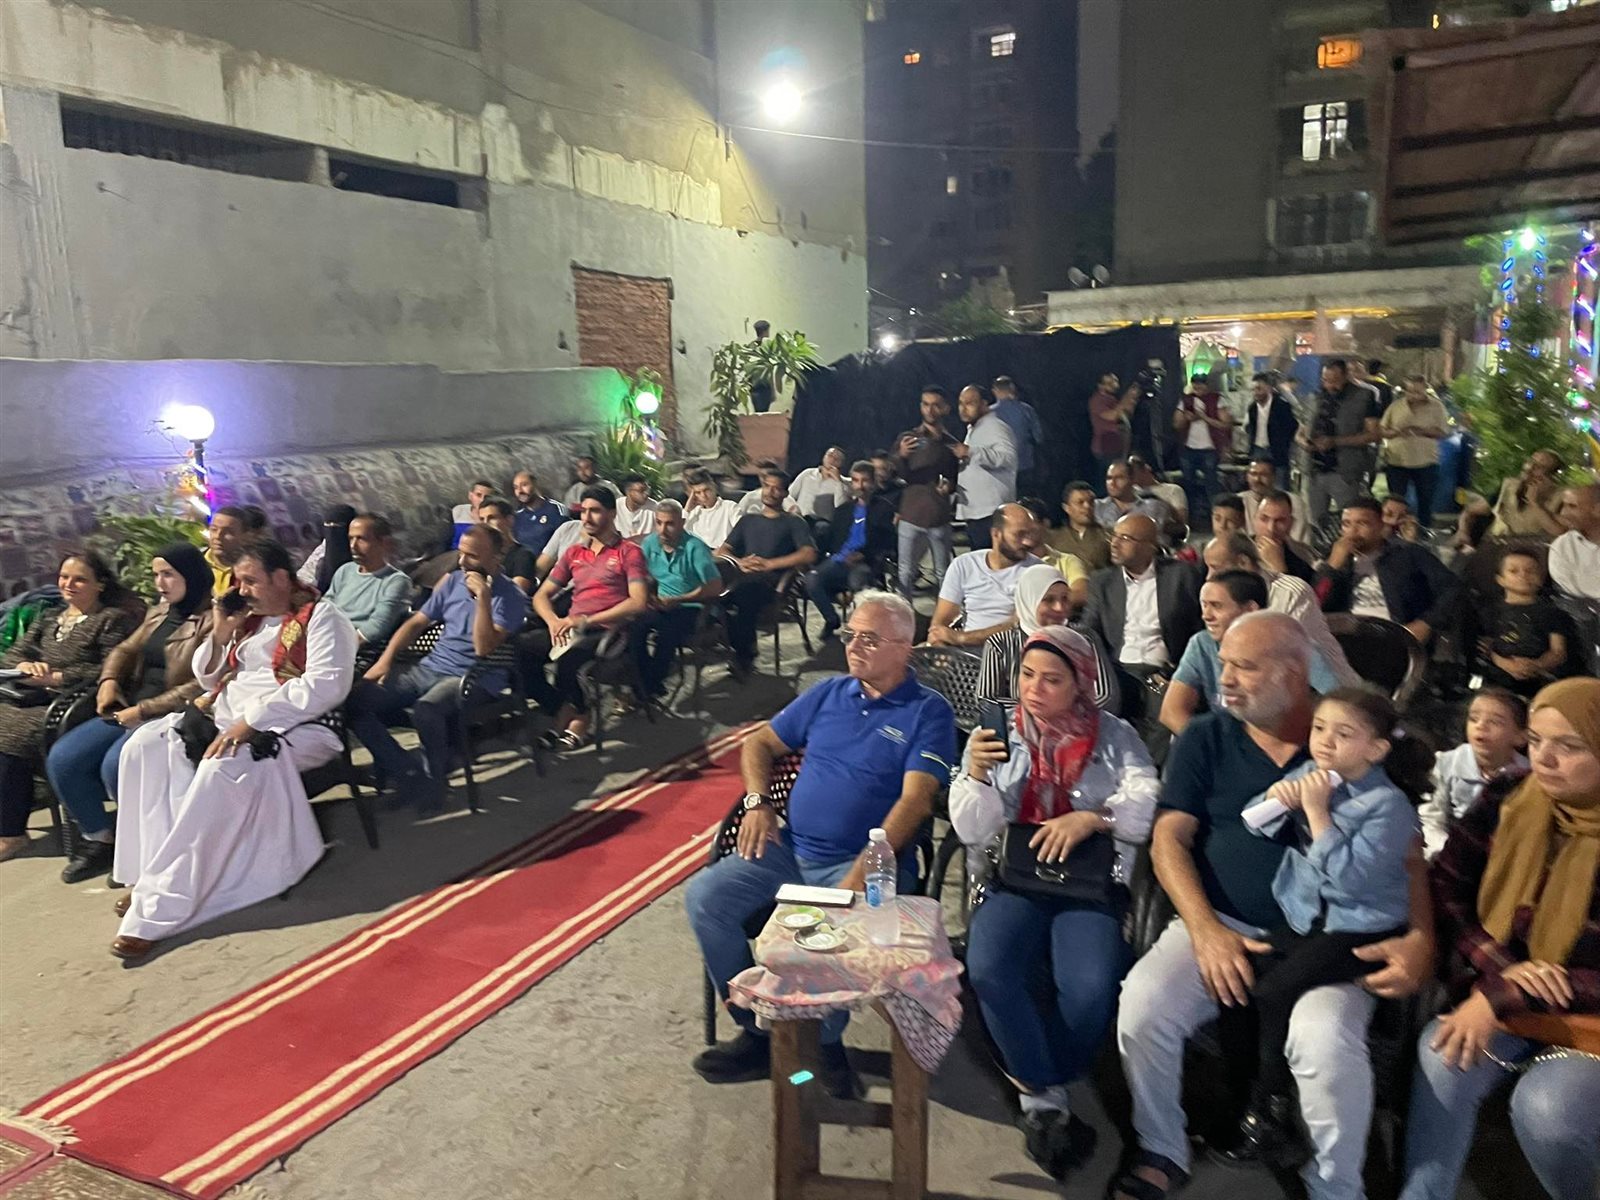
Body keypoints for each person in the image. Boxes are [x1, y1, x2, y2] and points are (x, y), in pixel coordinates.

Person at [1113, 612, 1435, 1200]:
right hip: (1219, 922)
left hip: (1330, 938)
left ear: (1292, 673)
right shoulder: (1208, 736)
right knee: (1144, 1007)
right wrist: (1204, 930)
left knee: (1323, 1040)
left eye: (1244, 667)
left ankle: (1336, 1187)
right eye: (1224, 663)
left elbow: (1408, 855)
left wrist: (1421, 936)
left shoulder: (1349, 731)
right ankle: (1161, 1146)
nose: (1225, 679)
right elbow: (1167, 840)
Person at [686, 592, 955, 1099]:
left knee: (827, 941)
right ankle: (758, 1032)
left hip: (865, 863)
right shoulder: (830, 691)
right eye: (850, 635)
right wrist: (758, 802)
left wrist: (860, 872)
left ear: (905, 647)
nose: (853, 646)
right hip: (791, 847)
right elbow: (759, 743)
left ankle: (823, 1048)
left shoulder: (928, 712)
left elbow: (916, 801)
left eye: (869, 639)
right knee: (706, 899)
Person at [951, 626, 1157, 1181]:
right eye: (1026, 676)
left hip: (1087, 884)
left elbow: (1146, 801)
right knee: (989, 969)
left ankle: (1044, 1076)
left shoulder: (1114, 735)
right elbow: (971, 829)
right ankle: (1043, 1094)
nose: (1034, 690)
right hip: (1016, 879)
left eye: (1052, 679)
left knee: (1090, 986)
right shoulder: (998, 731)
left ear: (1081, 684)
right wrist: (975, 775)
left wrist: (1093, 817)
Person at [109, 540, 357, 961]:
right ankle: (155, 876)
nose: (242, 591)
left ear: (282, 578)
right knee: (144, 746)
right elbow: (210, 680)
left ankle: (158, 911)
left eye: (251, 581)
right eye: (238, 581)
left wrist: (253, 721)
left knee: (220, 766)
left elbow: (325, 685)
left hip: (299, 727)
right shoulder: (248, 621)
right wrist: (221, 634)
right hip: (228, 718)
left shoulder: (321, 617)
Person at [1401, 678, 1600, 1200]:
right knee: (1443, 1053)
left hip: (1589, 1020)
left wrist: (1504, 993)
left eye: (1569, 745)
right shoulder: (1508, 797)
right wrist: (1502, 970)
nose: (1544, 759)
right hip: (1507, 994)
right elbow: (1447, 888)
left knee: (1548, 1108)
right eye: (1535, 741)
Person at [1227, 687, 1429, 1166]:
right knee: (1241, 977)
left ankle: (1272, 1112)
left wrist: (1317, 813)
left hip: (1364, 926)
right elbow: (1253, 822)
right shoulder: (1312, 774)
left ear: (1376, 749)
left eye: (1343, 734)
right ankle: (1248, 1102)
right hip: (1309, 917)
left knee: (1274, 992)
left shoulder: (1389, 806)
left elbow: (1350, 882)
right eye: (1320, 728)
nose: (1325, 741)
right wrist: (1276, 799)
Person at [44, 544, 215, 883]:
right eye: (156, 575)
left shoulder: (212, 620)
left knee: (116, 765)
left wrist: (145, 709)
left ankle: (143, 847)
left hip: (171, 714)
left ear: (191, 575)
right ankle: (101, 839)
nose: (160, 583)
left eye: (168, 574)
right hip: (131, 707)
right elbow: (125, 649)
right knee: (64, 759)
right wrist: (109, 680)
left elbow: (202, 683)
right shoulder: (160, 612)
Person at [347, 525, 527, 813]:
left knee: (427, 710)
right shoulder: (454, 582)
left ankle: (435, 785)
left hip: (475, 676)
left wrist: (483, 598)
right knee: (354, 702)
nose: (463, 562)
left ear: (496, 557)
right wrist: (386, 660)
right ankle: (409, 774)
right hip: (432, 666)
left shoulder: (511, 596)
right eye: (461, 554)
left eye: (472, 556)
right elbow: (417, 622)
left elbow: (483, 648)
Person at [0, 553, 139, 864]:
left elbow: (111, 668)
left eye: (79, 579)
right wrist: (25, 666)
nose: (68, 584)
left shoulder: (111, 620)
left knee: (10, 734)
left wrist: (58, 677)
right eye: (64, 577)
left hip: (75, 703)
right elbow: (13, 654)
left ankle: (11, 833)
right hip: (32, 697)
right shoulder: (50, 618)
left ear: (99, 585)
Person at [529, 486, 650, 749]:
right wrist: (553, 621)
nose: (586, 517)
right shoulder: (575, 553)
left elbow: (638, 601)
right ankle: (564, 708)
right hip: (571, 626)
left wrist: (586, 621)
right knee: (521, 651)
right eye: (583, 511)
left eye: (594, 511)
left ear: (611, 513)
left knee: (569, 663)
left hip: (608, 630)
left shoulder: (628, 552)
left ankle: (579, 719)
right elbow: (541, 596)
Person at [1161, 569, 1343, 735]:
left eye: (1216, 606)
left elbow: (1337, 704)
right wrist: (1208, 748)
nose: (1206, 615)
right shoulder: (1202, 643)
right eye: (1204, 605)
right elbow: (1171, 711)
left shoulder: (1293, 644)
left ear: (1249, 609)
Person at [1076, 514, 1203, 733]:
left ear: (1150, 546)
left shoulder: (1182, 575)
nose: (1115, 543)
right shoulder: (1103, 581)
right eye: (1114, 536)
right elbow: (1089, 631)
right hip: (1119, 672)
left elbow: (1197, 628)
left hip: (1163, 672)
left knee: (1164, 721)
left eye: (1125, 538)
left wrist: (1178, 671)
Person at [1200, 532, 1358, 688]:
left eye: (1215, 567)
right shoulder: (1216, 596)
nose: (1208, 577)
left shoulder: (1291, 592)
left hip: (1332, 692)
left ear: (1243, 562)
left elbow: (1285, 653)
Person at [715, 467, 818, 678]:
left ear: (785, 493)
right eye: (766, 486)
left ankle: (744, 656)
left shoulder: (793, 522)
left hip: (773, 582)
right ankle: (741, 647)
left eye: (776, 488)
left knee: (742, 597)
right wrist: (740, 562)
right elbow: (722, 550)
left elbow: (809, 554)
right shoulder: (748, 520)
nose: (770, 492)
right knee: (714, 598)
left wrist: (770, 564)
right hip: (742, 576)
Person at [1315, 497, 1460, 646]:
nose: (1352, 531)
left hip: (1395, 636)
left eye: (1362, 523)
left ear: (1380, 525)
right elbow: (1315, 603)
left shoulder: (1408, 553)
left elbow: (1453, 588)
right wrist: (1332, 567)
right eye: (1346, 524)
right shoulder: (1336, 559)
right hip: (1347, 636)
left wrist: (1426, 623)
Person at [975, 563, 1118, 713]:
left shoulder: (1084, 639)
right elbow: (986, 700)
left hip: (1080, 725)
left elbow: (1107, 697)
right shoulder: (1000, 643)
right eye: (1049, 600)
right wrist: (1041, 712)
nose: (1060, 607)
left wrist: (1059, 714)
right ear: (1029, 601)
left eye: (1065, 599)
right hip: (1016, 726)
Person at [1419, 688, 1528, 860]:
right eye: (1473, 719)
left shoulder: (1527, 777)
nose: (1480, 726)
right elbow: (1431, 818)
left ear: (1521, 737)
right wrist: (1447, 849)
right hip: (1447, 852)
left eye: (1495, 722)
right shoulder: (1447, 762)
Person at [632, 500, 722, 703]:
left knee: (667, 630)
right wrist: (649, 596)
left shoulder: (695, 547)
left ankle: (650, 686)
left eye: (670, 524)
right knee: (634, 628)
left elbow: (715, 586)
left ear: (681, 523)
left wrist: (679, 599)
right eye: (659, 523)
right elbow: (641, 575)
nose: (663, 529)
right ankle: (644, 682)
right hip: (662, 603)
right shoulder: (650, 544)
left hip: (694, 606)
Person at [928, 504, 1042, 649]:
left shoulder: (1037, 571)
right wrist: (941, 649)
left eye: (1030, 534)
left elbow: (1017, 626)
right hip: (965, 654)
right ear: (996, 534)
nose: (1028, 542)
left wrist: (961, 638)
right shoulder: (964, 565)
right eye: (1019, 535)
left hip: (1010, 652)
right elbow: (940, 622)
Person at [803, 460, 895, 640]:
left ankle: (859, 629)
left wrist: (865, 554)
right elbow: (831, 540)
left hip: (865, 562)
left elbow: (888, 540)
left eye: (865, 481)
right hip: (838, 559)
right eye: (856, 480)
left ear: (873, 482)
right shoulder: (843, 510)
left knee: (858, 582)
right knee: (812, 579)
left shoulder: (883, 508)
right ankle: (831, 620)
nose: (860, 486)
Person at [894, 385, 962, 594]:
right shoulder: (908, 439)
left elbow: (955, 478)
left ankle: (946, 614)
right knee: (905, 572)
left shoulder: (952, 444)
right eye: (925, 404)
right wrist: (901, 456)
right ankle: (904, 614)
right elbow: (893, 474)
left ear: (946, 408)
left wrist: (949, 486)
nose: (930, 410)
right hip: (911, 515)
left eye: (935, 405)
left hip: (939, 517)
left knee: (944, 574)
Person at [1479, 546, 1571, 697]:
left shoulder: (1552, 613)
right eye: (1514, 571)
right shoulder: (1490, 612)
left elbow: (1558, 652)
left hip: (1541, 682)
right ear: (1500, 579)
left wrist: (1536, 665)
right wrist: (1505, 664)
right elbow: (1486, 646)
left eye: (1530, 571)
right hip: (1497, 681)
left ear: (1541, 578)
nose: (1523, 575)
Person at [1302, 359, 1382, 524]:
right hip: (1315, 471)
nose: (1329, 386)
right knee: (1315, 522)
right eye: (1326, 380)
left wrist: (1335, 441)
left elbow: (1374, 434)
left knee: (1349, 519)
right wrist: (1304, 442)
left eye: (1335, 381)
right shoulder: (1316, 397)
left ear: (1346, 376)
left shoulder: (1363, 397)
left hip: (1345, 472)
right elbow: (1301, 431)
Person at [1379, 375, 1450, 530]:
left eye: (1417, 392)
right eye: (1410, 391)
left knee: (1425, 500)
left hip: (1426, 461)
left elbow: (1443, 433)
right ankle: (1394, 531)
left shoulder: (1437, 407)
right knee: (1396, 500)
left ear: (1425, 390)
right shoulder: (1396, 406)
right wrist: (1396, 432)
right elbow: (1383, 430)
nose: (1413, 395)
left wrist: (1421, 431)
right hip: (1398, 461)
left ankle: (1423, 530)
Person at [954, 384, 1017, 551]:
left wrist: (970, 452)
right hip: (978, 513)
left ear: (984, 404)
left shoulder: (996, 427)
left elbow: (1008, 458)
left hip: (990, 513)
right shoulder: (974, 429)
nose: (963, 408)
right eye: (961, 403)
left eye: (970, 403)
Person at [1173, 373, 1233, 528]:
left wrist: (1204, 418)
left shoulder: (1217, 399)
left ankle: (1216, 519)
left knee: (1211, 486)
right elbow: (1176, 424)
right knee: (1189, 485)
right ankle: (1191, 520)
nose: (1198, 387)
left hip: (1209, 449)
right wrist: (1186, 418)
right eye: (1195, 384)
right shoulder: (1185, 400)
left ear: (1207, 385)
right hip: (1188, 449)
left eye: (1201, 384)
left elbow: (1226, 424)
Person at [1490, 450, 1566, 539]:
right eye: (1530, 461)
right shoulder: (1509, 485)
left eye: (1539, 467)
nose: (1529, 468)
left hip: (1537, 546)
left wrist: (1534, 503)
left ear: (1551, 477)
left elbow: (1560, 533)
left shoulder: (1562, 497)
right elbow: (1487, 511)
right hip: (1503, 543)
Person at [1094, 460, 1175, 541]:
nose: (1112, 483)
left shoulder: (1154, 507)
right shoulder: (1096, 506)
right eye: (1109, 478)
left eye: (1119, 478)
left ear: (1132, 480)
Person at [991, 376, 1045, 497]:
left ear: (995, 391)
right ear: (1013, 389)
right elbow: (1039, 437)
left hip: (998, 467)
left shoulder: (989, 414)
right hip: (1024, 465)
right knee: (1025, 500)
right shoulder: (1027, 410)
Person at [1045, 481, 1112, 574]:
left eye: (1091, 502)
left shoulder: (1109, 534)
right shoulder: (1053, 538)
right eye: (1080, 502)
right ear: (1066, 507)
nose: (1087, 506)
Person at [475, 498, 540, 593]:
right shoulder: (477, 553)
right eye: (482, 519)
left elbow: (516, 592)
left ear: (509, 520)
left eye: (492, 518)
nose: (485, 523)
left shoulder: (523, 555)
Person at [1253, 489, 1317, 584]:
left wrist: (1279, 567)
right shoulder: (1239, 549)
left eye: (1280, 521)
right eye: (1264, 519)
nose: (1271, 528)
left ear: (1290, 523)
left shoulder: (1303, 557)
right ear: (1254, 519)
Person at [1240, 459, 1309, 546]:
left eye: (1264, 475)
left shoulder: (1294, 501)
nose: (1257, 479)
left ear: (1274, 477)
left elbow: (1300, 540)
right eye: (1253, 474)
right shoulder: (1238, 500)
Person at [1550, 481, 1600, 599]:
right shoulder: (1562, 547)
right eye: (1564, 505)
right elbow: (1572, 600)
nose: (1563, 513)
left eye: (1572, 506)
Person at [787, 446, 850, 538]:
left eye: (837, 459)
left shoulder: (845, 483)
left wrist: (838, 482)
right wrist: (792, 507)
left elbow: (840, 505)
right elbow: (789, 494)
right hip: (801, 515)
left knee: (822, 529)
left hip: (822, 521)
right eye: (830, 455)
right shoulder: (807, 474)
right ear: (824, 457)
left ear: (842, 463)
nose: (832, 459)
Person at [204, 505, 266, 596]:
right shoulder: (195, 562)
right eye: (214, 529)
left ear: (246, 536)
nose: (218, 536)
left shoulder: (254, 570)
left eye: (228, 532)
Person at [1244, 372, 1298, 476]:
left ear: (1268, 388)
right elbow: (1249, 427)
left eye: (1259, 389)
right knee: (1258, 479)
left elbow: (1291, 428)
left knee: (1279, 479)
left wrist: (1283, 444)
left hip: (1277, 450)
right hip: (1257, 450)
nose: (1255, 392)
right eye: (1253, 389)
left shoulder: (1282, 406)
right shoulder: (1252, 408)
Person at [295, 504, 356, 593]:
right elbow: (305, 576)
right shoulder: (324, 547)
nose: (332, 531)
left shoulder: (364, 545)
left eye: (338, 525)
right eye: (328, 525)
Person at [1088, 374, 1134, 486]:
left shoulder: (1113, 399)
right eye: (1110, 383)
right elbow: (1112, 415)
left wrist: (1133, 398)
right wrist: (1127, 397)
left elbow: (1126, 415)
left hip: (1119, 447)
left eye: (1115, 382)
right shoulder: (1097, 400)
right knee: (1109, 481)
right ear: (1100, 386)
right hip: (1105, 449)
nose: (1115, 385)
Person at [510, 471, 568, 558]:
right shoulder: (517, 517)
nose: (520, 491)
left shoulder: (556, 509)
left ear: (535, 484)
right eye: (516, 487)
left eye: (524, 485)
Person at [682, 470, 742, 554]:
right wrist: (687, 510)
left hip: (723, 554)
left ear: (714, 487)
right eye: (698, 493)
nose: (703, 496)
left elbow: (741, 532)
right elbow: (678, 535)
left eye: (706, 490)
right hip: (699, 554)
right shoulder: (692, 514)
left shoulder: (730, 507)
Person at [1130, 455, 1189, 532]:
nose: (1131, 475)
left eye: (1133, 471)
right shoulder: (1129, 492)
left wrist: (1157, 500)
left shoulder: (1173, 490)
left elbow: (1181, 522)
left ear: (1146, 468)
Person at [612, 474, 659, 543]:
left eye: (647, 490)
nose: (647, 494)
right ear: (628, 491)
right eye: (641, 491)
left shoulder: (655, 508)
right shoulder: (616, 506)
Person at [452, 479, 496, 546]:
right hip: (455, 550)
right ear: (470, 496)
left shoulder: (493, 516)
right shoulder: (459, 510)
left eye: (487, 497)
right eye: (478, 495)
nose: (482, 500)